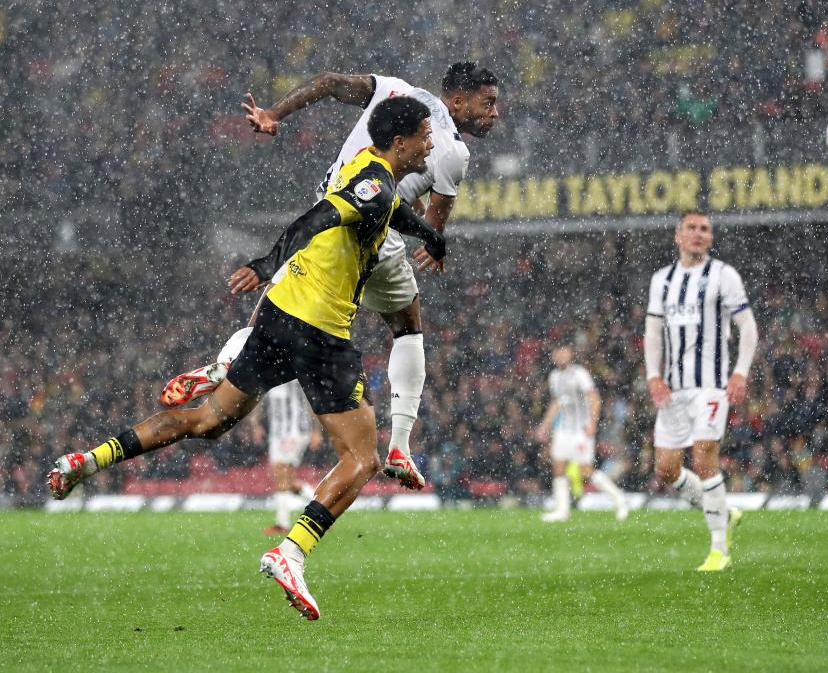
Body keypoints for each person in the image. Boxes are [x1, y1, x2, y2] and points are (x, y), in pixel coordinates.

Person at [48, 96, 445, 621]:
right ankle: (291, 551)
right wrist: (266, 262)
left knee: (210, 420)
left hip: (281, 313)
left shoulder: (369, 171)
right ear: (400, 143)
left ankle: (86, 460)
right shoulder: (371, 186)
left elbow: (391, 211)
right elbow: (320, 216)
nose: (431, 142)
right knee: (362, 458)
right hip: (321, 331)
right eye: (423, 135)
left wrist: (432, 235)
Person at [160, 62, 500, 492]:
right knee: (408, 325)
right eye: (487, 103)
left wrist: (274, 115)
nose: (494, 114)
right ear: (458, 100)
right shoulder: (451, 149)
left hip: (327, 220)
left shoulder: (392, 91)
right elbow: (431, 227)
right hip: (376, 235)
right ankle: (399, 445)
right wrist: (433, 245)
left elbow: (327, 84)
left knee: (268, 317)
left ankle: (222, 366)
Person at [643, 210, 758, 571]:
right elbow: (652, 334)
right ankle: (725, 511)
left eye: (704, 229)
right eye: (691, 228)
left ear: (711, 238)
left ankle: (719, 549)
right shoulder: (662, 281)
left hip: (711, 386)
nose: (698, 234)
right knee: (666, 470)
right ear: (678, 235)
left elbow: (748, 328)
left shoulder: (724, 276)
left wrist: (739, 373)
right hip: (673, 391)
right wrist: (653, 376)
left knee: (704, 457)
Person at [536, 346, 628, 522]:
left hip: (581, 429)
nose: (560, 355)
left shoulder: (579, 374)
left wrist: (592, 423)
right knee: (558, 467)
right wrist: (545, 425)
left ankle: (619, 499)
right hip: (563, 429)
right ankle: (562, 511)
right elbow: (557, 402)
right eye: (557, 352)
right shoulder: (554, 377)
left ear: (570, 354)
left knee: (586, 471)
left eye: (564, 351)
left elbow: (594, 398)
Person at [259, 380, 322, 536]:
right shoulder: (270, 372)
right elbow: (264, 401)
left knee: (282, 473)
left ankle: (282, 524)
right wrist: (258, 424)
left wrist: (316, 430)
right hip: (277, 432)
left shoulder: (293, 373)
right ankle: (322, 513)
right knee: (287, 481)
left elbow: (311, 400)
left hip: (294, 430)